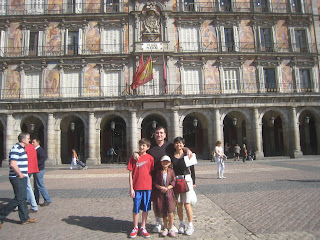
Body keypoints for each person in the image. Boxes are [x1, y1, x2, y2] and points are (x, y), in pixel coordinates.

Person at [133, 126, 191, 233]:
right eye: (157, 133)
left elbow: (180, 147)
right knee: (156, 202)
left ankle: (170, 224)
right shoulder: (151, 146)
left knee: (170, 201)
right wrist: (135, 153)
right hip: (154, 178)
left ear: (165, 134)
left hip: (168, 178)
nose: (159, 135)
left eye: (161, 133)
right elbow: (141, 151)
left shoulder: (169, 146)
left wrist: (187, 149)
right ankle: (158, 222)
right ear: (154, 134)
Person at [0, 133, 37, 229]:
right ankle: (1, 215)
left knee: (23, 198)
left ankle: (24, 218)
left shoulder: (22, 149)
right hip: (17, 177)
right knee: (18, 199)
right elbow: (13, 164)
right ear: (23, 140)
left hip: (22, 177)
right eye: (28, 139)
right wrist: (20, 174)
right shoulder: (16, 149)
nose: (29, 140)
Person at [127, 138, 154, 238]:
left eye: (144, 145)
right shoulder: (133, 158)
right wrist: (131, 188)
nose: (142, 147)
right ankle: (135, 227)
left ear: (148, 147)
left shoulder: (150, 158)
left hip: (147, 187)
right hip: (136, 187)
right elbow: (130, 174)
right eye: (140, 145)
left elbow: (152, 173)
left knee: (146, 208)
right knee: (136, 208)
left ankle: (143, 226)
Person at [170, 137, 195, 236]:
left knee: (187, 204)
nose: (178, 145)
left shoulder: (187, 155)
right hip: (177, 180)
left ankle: (190, 225)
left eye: (180, 143)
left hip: (187, 179)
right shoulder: (172, 156)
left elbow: (192, 169)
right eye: (176, 143)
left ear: (183, 145)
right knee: (179, 204)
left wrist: (194, 182)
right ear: (174, 145)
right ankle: (181, 224)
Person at [153, 155, 176, 237]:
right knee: (163, 211)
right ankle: (165, 228)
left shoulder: (171, 171)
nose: (165, 163)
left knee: (170, 211)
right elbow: (155, 182)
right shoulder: (159, 172)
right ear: (161, 162)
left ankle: (171, 228)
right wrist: (160, 187)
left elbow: (173, 181)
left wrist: (168, 188)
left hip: (169, 193)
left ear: (169, 163)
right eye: (163, 161)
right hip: (160, 193)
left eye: (167, 161)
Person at [32, 138, 52, 207]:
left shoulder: (40, 150)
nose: (32, 143)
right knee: (36, 186)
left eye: (33, 142)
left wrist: (35, 164)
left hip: (39, 170)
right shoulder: (35, 150)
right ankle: (35, 200)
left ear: (38, 143)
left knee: (40, 185)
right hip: (36, 169)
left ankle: (47, 199)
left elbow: (43, 158)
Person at [25, 143, 39, 213]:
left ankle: (34, 206)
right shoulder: (32, 147)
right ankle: (19, 204)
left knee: (27, 187)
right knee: (25, 187)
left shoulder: (25, 147)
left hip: (25, 170)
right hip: (31, 169)